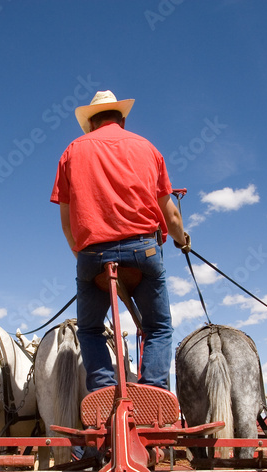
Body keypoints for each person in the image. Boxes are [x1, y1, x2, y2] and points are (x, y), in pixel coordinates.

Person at [51, 90, 189, 394]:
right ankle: (152, 392)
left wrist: (85, 259)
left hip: (92, 255)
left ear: (90, 123)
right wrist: (182, 241)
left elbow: (66, 223)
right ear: (122, 119)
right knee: (158, 329)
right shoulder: (147, 148)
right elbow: (172, 218)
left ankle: (102, 392)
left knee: (89, 329)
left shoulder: (72, 151)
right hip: (144, 251)